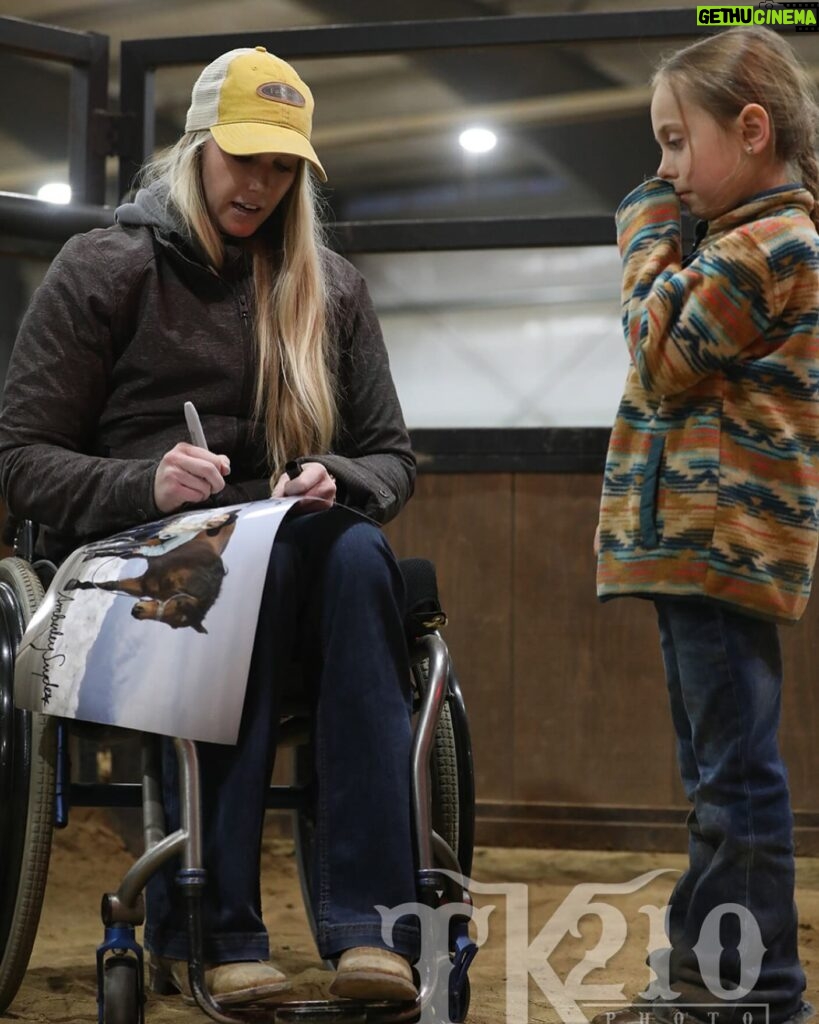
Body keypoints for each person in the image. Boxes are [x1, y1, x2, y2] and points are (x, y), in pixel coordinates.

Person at [0, 47, 420, 1007]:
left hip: (282, 550)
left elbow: (393, 458)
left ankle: (371, 929)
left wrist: (338, 475)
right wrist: (144, 484)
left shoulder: (332, 288)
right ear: (196, 147)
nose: (261, 186)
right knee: (251, 570)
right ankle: (216, 924)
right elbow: (20, 457)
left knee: (358, 550)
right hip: (143, 562)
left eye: (282, 169)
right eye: (245, 161)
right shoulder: (104, 267)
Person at [595, 26, 819, 1024]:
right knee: (719, 777)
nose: (663, 168)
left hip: (724, 544)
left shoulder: (770, 247)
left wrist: (643, 228)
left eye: (678, 141)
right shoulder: (740, 243)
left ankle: (749, 989)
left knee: (733, 781)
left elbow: (655, 349)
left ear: (754, 130)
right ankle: (717, 981)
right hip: (699, 550)